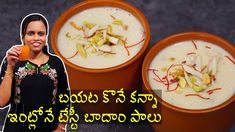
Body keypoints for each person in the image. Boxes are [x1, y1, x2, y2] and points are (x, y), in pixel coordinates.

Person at [0, 13, 70, 132]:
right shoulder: (12, 61)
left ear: (46, 37)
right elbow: (1, 102)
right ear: (23, 36)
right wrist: (10, 66)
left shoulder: (56, 63)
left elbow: (65, 100)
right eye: (31, 33)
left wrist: (61, 127)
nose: (36, 38)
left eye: (41, 34)